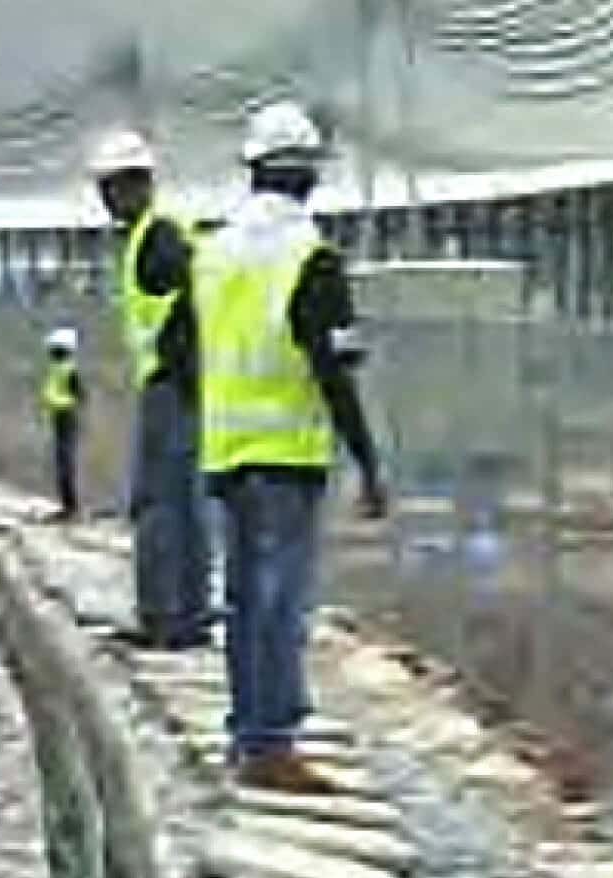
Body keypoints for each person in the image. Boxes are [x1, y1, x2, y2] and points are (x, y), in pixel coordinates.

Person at [193, 101, 388, 794]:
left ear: (251, 170)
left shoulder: (211, 254)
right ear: (309, 177)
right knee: (282, 600)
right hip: (287, 454)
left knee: (243, 596)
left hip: (224, 452)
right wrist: (367, 459)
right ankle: (271, 743)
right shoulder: (312, 258)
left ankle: (246, 730)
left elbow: (192, 351)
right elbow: (333, 370)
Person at [91, 129, 210, 650]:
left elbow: (189, 315)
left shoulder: (158, 242)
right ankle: (187, 614)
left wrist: (181, 377)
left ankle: (166, 616)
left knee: (160, 504)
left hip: (171, 388)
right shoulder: (161, 235)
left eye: (112, 187)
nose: (108, 199)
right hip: (178, 387)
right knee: (181, 503)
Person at [39, 325, 84, 521]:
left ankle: (71, 507)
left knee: (65, 463)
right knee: (62, 463)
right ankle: (68, 505)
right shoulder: (60, 369)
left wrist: (62, 404)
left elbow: (80, 396)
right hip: (60, 417)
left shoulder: (67, 370)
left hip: (66, 418)